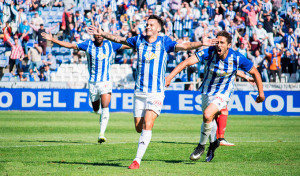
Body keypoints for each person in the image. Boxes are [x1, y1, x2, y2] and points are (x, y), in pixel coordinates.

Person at [89, 15, 217, 169]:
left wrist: (201, 43)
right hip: (139, 92)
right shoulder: (138, 40)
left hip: (156, 92)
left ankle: (137, 160)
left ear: (158, 28)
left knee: (148, 124)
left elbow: (184, 46)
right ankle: (144, 138)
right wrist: (103, 34)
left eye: (151, 25)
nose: (148, 27)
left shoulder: (164, 42)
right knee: (139, 127)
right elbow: (119, 39)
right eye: (147, 24)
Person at [165, 31, 265, 162]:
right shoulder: (209, 51)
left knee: (207, 115)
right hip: (207, 90)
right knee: (209, 119)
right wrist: (169, 77)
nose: (218, 45)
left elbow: (255, 72)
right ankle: (213, 144)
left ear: (229, 45)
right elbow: (186, 63)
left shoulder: (237, 57)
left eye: (222, 43)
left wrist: (261, 93)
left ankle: (201, 146)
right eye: (217, 42)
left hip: (223, 92)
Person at [41, 28, 130, 144]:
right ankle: (99, 114)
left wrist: (141, 43)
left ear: (103, 35)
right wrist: (53, 39)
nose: (98, 36)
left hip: (106, 82)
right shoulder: (88, 45)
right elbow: (70, 46)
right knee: (95, 108)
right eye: (96, 34)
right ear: (94, 35)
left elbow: (128, 45)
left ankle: (101, 134)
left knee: (105, 106)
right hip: (93, 83)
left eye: (100, 34)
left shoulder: (110, 45)